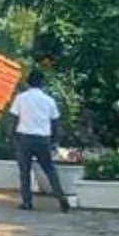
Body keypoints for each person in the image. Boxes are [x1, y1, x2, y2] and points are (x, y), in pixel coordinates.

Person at [10, 67, 73, 211]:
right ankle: (61, 197)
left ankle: (27, 202)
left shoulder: (21, 98)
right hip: (43, 139)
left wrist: (13, 137)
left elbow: (13, 119)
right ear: (42, 83)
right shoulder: (49, 101)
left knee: (25, 171)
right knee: (50, 169)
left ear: (28, 82)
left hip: (24, 138)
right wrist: (55, 141)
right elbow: (55, 122)